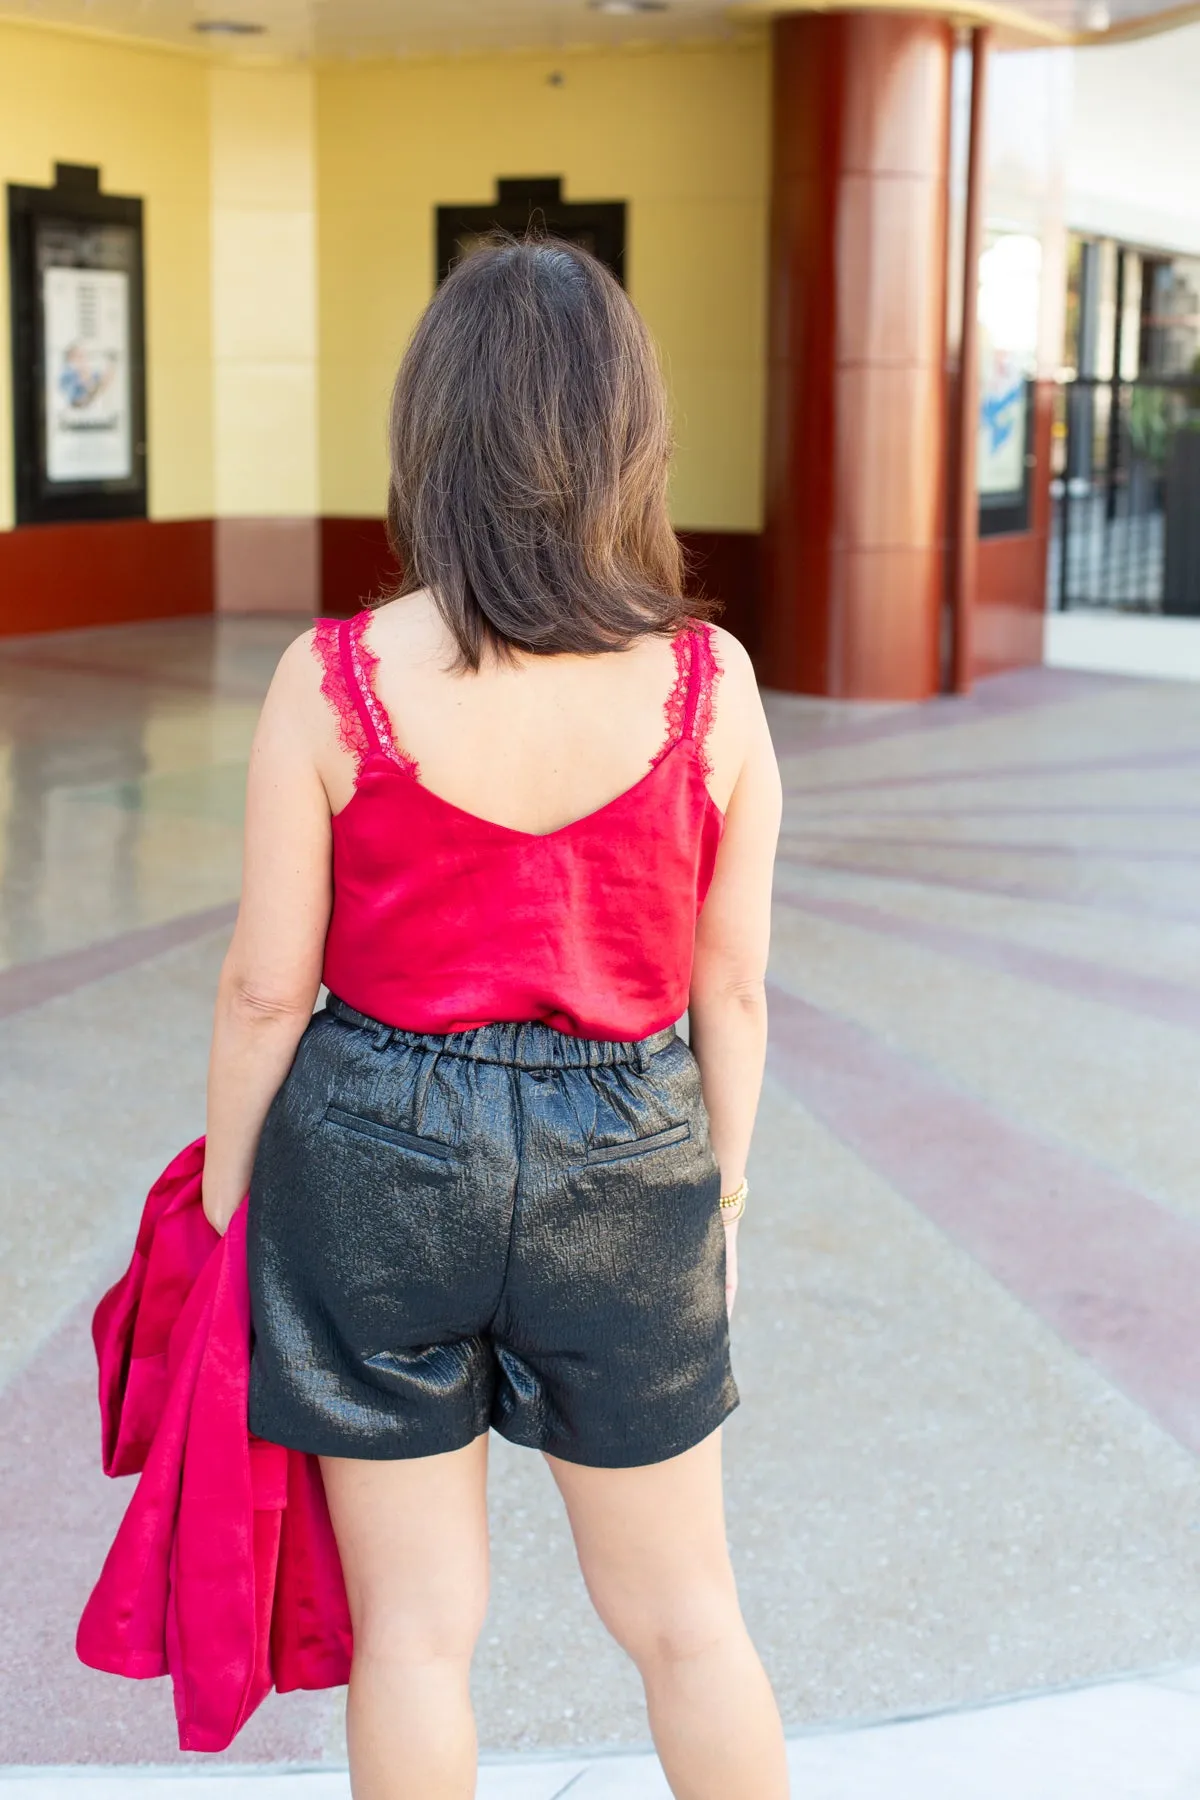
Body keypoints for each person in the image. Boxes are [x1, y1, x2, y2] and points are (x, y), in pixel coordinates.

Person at [201, 236, 786, 1800]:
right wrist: (715, 1194)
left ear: (430, 433)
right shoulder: (707, 683)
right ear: (629, 435)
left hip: (375, 1157)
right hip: (628, 1147)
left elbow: (268, 983)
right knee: (684, 1620)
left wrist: (219, 1199)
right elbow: (730, 985)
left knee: (414, 1636)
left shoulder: (330, 680)